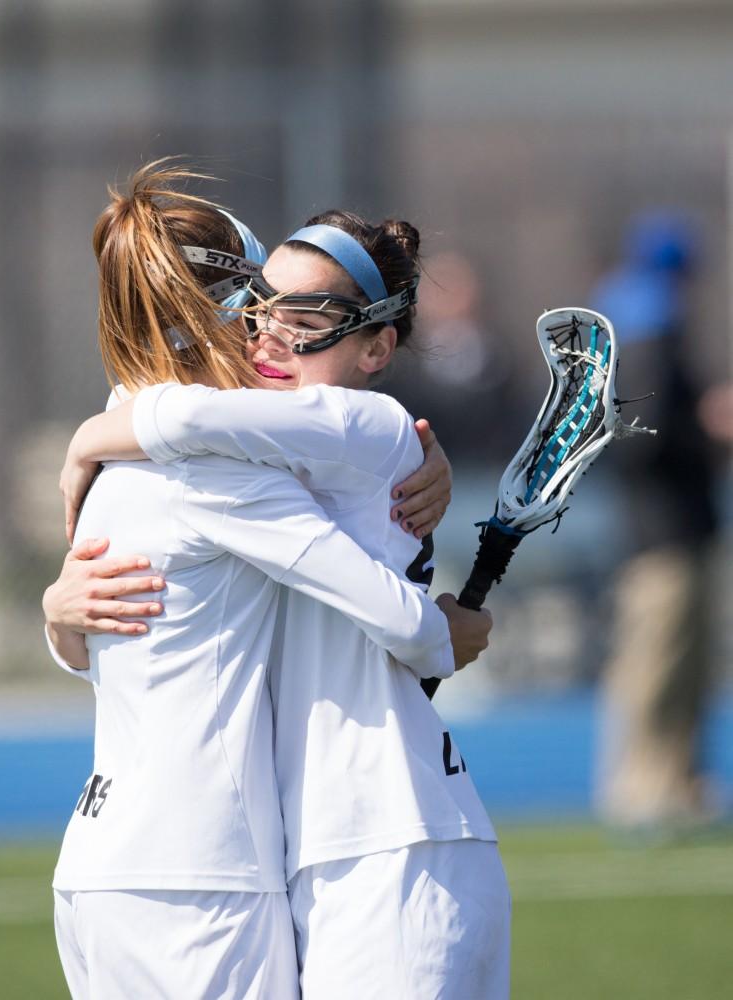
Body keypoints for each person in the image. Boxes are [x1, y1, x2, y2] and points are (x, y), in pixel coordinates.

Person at [44, 161, 483, 1000]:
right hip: (198, 879)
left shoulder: (121, 454)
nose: (267, 336)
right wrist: (449, 633)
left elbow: (92, 641)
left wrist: (59, 607)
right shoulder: (217, 466)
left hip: (100, 864)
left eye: (295, 317)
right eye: (258, 310)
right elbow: (397, 617)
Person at [591, 211, 722, 831]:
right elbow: (641, 439)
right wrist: (709, 425)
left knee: (687, 666)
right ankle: (642, 787)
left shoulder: (638, 320)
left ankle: (677, 781)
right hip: (659, 532)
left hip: (678, 527)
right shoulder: (647, 327)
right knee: (657, 664)